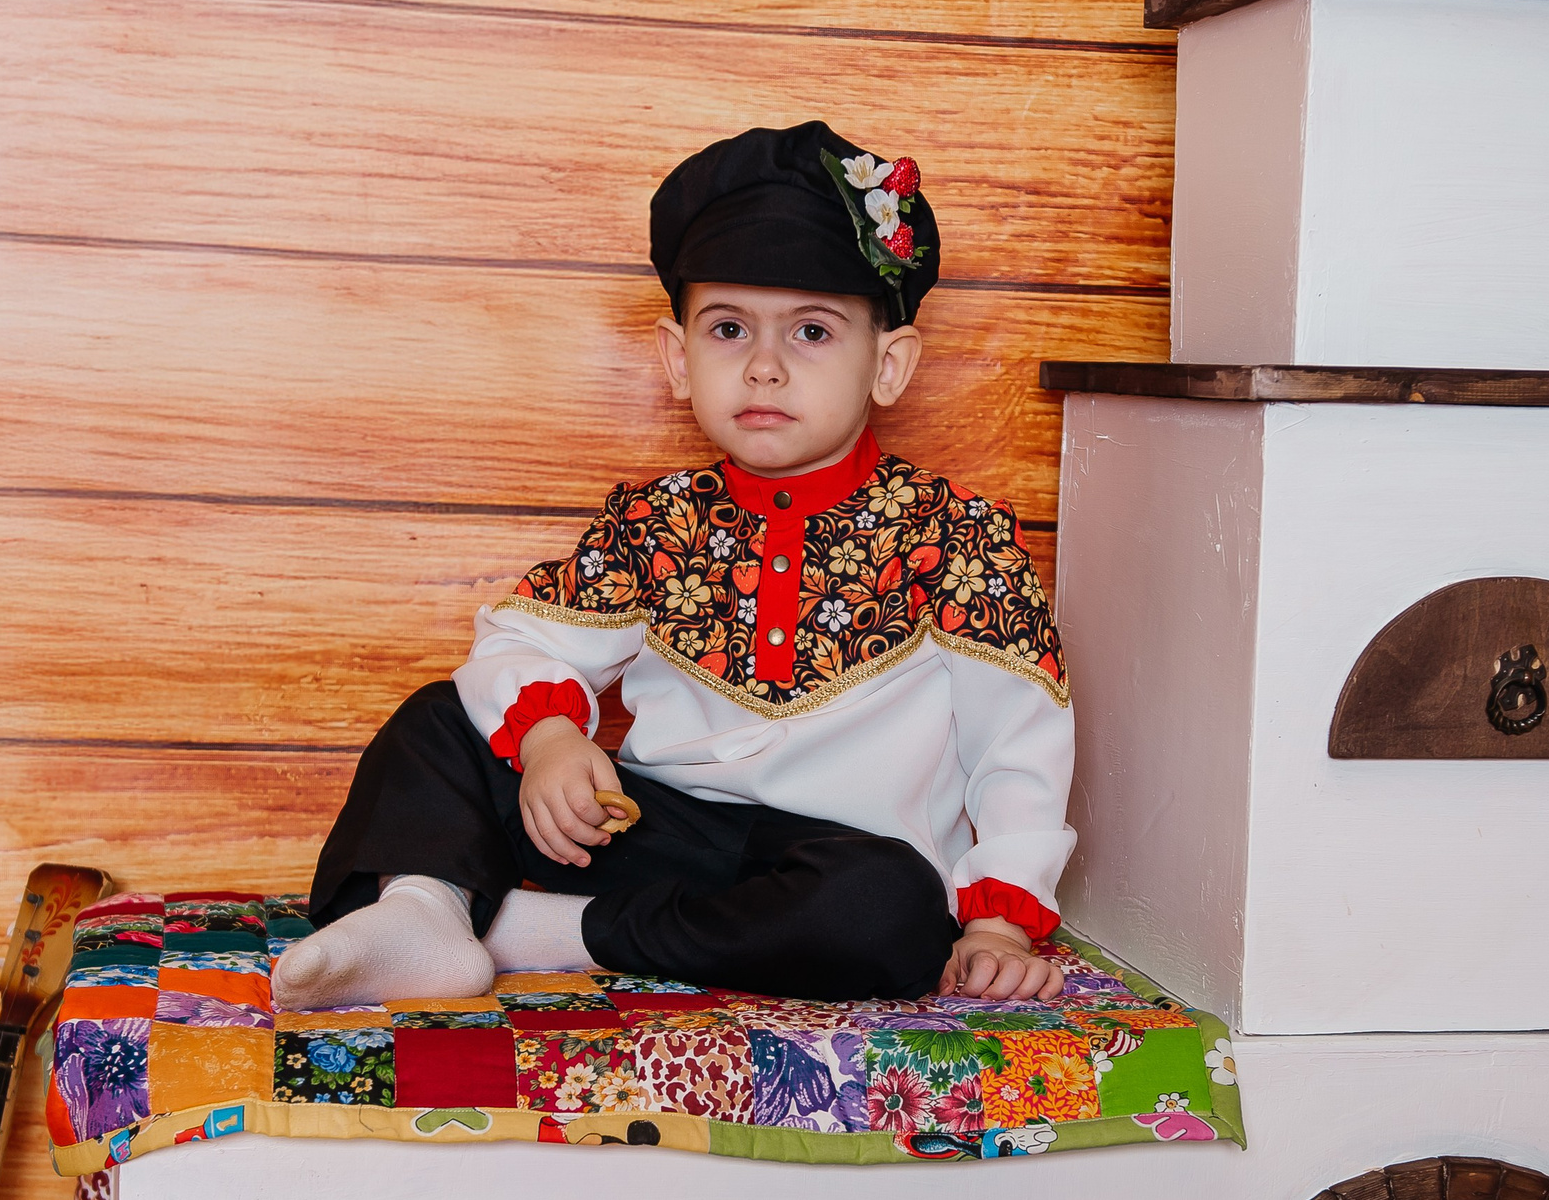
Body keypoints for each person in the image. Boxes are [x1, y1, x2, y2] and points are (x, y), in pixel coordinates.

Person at [274, 120, 1075, 1011]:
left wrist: (999, 925)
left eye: (812, 332)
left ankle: (520, 934)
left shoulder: (961, 539)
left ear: (888, 366)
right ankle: (424, 910)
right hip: (653, 836)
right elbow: (522, 644)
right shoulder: (655, 521)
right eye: (729, 329)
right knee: (441, 718)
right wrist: (549, 740)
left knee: (889, 910)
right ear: (677, 357)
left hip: (835, 868)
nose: (764, 368)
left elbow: (1017, 749)